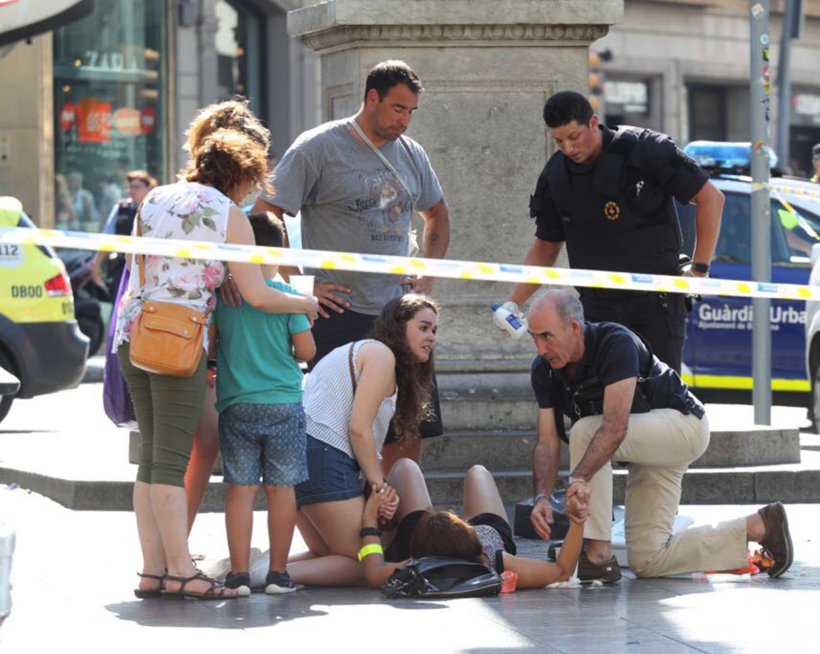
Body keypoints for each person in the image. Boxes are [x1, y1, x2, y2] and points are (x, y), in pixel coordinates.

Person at [113, 121, 320, 601]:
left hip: (135, 333)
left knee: (149, 459)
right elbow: (259, 295)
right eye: (252, 182)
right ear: (241, 176)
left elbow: (134, 269)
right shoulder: (230, 214)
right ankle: (182, 571)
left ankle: (153, 570)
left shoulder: (156, 197)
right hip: (179, 339)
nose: (252, 192)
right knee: (169, 461)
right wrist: (305, 305)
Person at [252, 59, 451, 471]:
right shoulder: (318, 146)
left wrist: (425, 280)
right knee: (339, 427)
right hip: (339, 313)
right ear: (371, 98)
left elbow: (438, 215)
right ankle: (349, 521)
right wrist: (300, 287)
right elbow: (266, 215)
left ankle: (402, 521)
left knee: (409, 425)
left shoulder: (412, 153)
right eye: (398, 109)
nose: (405, 121)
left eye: (412, 111)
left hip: (398, 312)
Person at [525, 289, 793, 583]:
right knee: (648, 559)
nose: (540, 348)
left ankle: (598, 554)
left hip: (683, 426)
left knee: (586, 430)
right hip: (645, 446)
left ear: (574, 327)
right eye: (533, 337)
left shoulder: (615, 343)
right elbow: (547, 443)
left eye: (546, 336)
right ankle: (760, 526)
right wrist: (542, 497)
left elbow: (615, 427)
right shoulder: (545, 370)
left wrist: (577, 480)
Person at [495, 90, 723, 373]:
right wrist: (513, 303)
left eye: (573, 137)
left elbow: (711, 198)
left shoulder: (645, 149)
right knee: (598, 403)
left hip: (655, 305)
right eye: (558, 141)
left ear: (593, 123)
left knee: (660, 402)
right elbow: (545, 247)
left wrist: (700, 270)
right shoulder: (556, 176)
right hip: (597, 310)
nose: (567, 148)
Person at [286, 294, 439, 587]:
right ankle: (266, 576)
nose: (431, 337)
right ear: (398, 325)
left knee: (326, 553)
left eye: (434, 330)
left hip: (302, 456)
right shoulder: (381, 355)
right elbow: (359, 429)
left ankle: (251, 572)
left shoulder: (369, 355)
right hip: (321, 455)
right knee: (365, 561)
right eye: (423, 328)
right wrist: (378, 487)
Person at [178, 99, 274, 534]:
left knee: (199, 443)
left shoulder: (182, 199)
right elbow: (251, 289)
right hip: (187, 337)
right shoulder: (217, 211)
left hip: (194, 337)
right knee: (192, 445)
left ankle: (174, 543)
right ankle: (172, 547)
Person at [211, 211, 316, 596]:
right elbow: (306, 351)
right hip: (284, 404)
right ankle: (277, 574)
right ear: (281, 248)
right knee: (281, 489)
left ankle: (238, 574)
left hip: (236, 403)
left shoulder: (227, 298)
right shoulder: (289, 298)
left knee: (240, 489)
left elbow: (211, 343)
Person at [356, 459, 585, 590]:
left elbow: (373, 570)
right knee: (477, 471)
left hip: (430, 537)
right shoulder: (497, 562)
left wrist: (370, 521)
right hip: (488, 533)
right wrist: (577, 521)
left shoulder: (415, 564)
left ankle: (391, 537)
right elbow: (561, 571)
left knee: (406, 466)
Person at [87, 170, 159, 297]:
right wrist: (96, 265)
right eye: (130, 187)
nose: (131, 191)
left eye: (136, 187)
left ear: (149, 188)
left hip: (151, 268)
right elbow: (108, 238)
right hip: (122, 268)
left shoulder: (158, 208)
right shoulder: (121, 208)